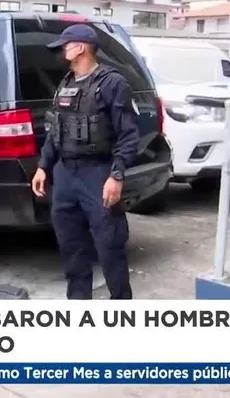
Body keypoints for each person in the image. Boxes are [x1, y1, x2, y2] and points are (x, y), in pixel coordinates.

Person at [30, 24, 139, 300]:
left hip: (97, 173)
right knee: (72, 248)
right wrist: (43, 166)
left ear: (80, 48)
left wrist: (116, 175)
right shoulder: (66, 83)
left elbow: (128, 134)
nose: (61, 51)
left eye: (65, 46)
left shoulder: (113, 83)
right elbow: (56, 131)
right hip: (65, 175)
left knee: (109, 247)